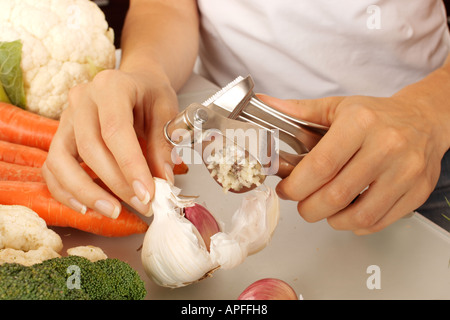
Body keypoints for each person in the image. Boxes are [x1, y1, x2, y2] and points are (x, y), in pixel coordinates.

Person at [42, 0, 450, 234]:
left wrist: (428, 111)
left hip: (418, 145)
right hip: (222, 138)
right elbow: (167, 6)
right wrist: (146, 69)